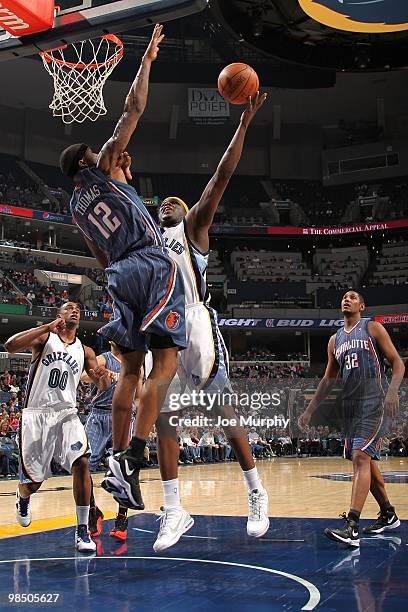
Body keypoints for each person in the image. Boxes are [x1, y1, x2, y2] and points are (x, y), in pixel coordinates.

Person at [59, 24, 186, 511]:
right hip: (150, 266)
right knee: (166, 364)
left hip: (115, 275)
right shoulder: (105, 162)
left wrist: (126, 177)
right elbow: (133, 107)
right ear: (91, 159)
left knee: (129, 368)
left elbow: (98, 252)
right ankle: (133, 455)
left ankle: (114, 459)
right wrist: (147, 59)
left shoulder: (76, 207)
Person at [149, 92, 269, 552]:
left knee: (224, 412)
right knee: (164, 418)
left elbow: (221, 176)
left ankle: (256, 491)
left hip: (196, 323)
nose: (169, 205)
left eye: (174, 203)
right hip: (163, 332)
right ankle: (175, 507)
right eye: (163, 204)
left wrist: (242, 125)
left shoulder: (192, 227)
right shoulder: (150, 242)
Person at [298, 290, 405, 547]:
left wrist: (392, 393)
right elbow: (328, 379)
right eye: (344, 297)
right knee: (367, 462)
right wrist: (310, 410)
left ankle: (352, 525)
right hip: (351, 408)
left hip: (374, 403)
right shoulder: (335, 341)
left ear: (362, 305)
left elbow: (398, 363)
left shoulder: (373, 328)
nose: (347, 299)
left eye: (353, 296)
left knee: (360, 457)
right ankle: (388, 513)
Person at [4, 302, 111, 552]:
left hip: (67, 414)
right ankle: (23, 495)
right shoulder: (44, 337)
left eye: (78, 308)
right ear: (59, 314)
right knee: (35, 482)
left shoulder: (85, 351)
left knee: (82, 461)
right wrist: (46, 326)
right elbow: (10, 346)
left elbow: (100, 382)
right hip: (37, 415)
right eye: (69, 307)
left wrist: (103, 379)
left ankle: (82, 530)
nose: (75, 310)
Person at [81, 342, 143, 541]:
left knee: (124, 468)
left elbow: (139, 398)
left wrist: (140, 428)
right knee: (83, 463)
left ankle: (122, 518)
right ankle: (93, 510)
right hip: (99, 415)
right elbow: (83, 376)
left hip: (125, 418)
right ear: (111, 340)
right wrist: (97, 375)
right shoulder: (103, 359)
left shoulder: (136, 365)